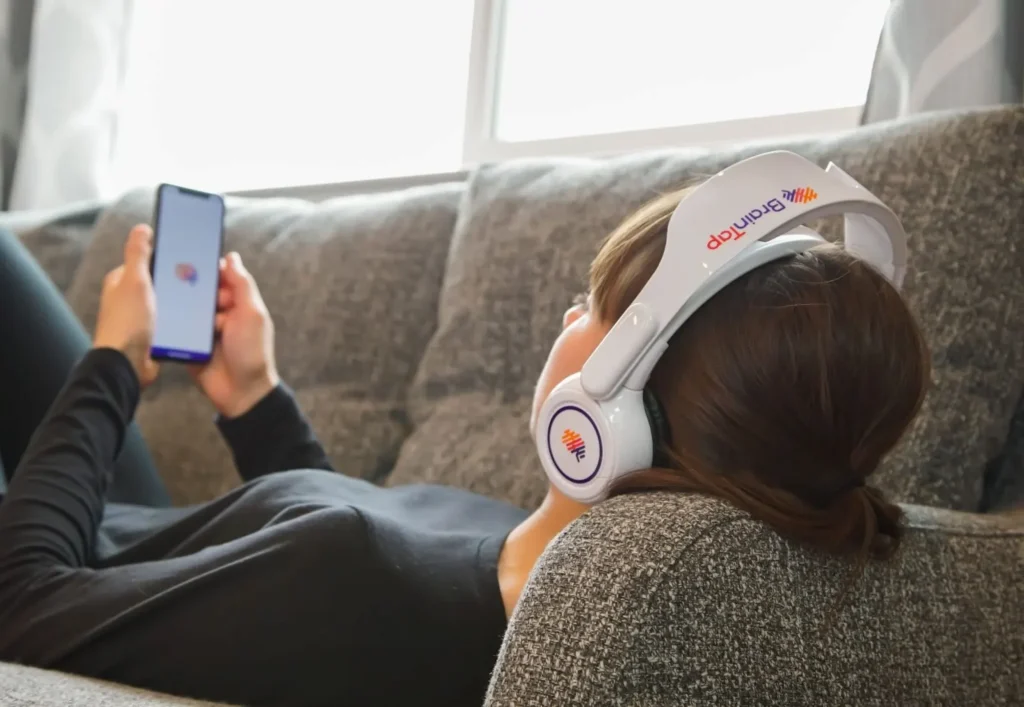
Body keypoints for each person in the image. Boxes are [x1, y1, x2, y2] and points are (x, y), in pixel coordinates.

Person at [0, 182, 928, 706]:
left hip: (36, 549)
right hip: (125, 530)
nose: (568, 314)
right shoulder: (528, 562)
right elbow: (322, 539)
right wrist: (253, 398)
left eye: (595, 311)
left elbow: (24, 605)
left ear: (604, 418)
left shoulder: (361, 591)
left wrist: (114, 361)